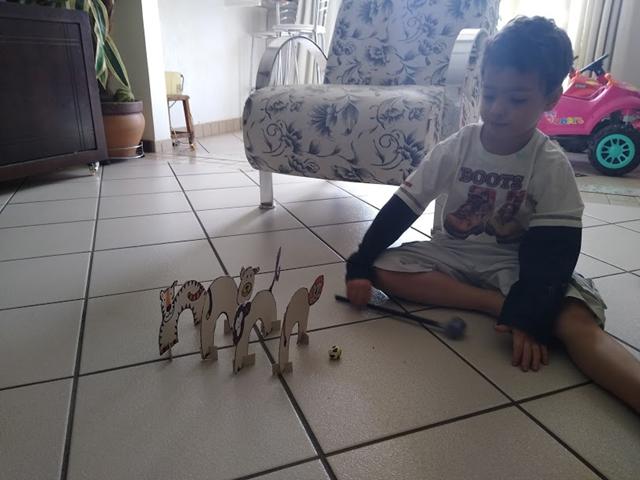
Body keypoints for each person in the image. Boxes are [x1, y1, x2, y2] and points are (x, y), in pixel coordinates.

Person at [345, 16, 640, 412]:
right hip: (454, 254)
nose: (498, 109)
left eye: (517, 100)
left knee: (575, 321)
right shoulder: (457, 146)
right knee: (382, 267)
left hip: (520, 265)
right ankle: (493, 303)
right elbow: (403, 207)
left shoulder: (549, 163)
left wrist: (531, 311)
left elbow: (554, 251)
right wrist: (360, 263)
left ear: (551, 98)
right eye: (490, 94)